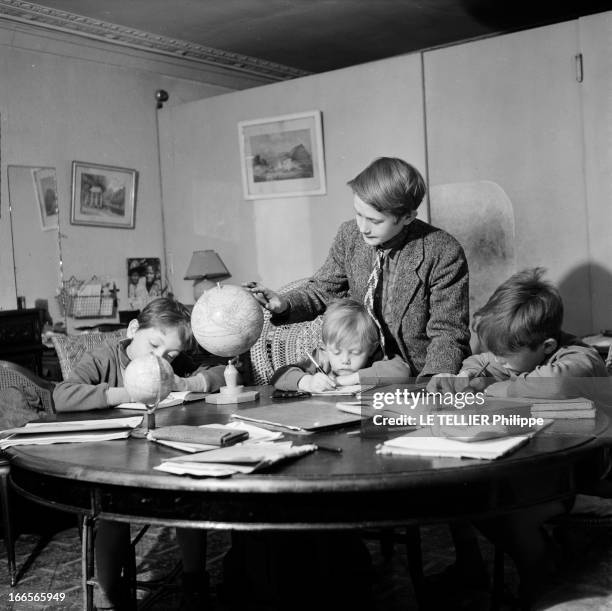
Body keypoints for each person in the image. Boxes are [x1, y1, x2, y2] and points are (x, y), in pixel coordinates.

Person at [426, 268, 609, 604]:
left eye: (505, 358)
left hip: (586, 478)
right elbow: (482, 360)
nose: (497, 361)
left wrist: (487, 388)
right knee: (458, 492)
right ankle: (476, 568)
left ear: (547, 345)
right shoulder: (519, 352)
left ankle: (538, 580)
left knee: (504, 509)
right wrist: (465, 375)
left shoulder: (581, 359)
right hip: (540, 469)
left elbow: (554, 385)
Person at [53, 298, 226, 610]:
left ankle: (194, 583)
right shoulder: (104, 358)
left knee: (186, 497)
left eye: (171, 354)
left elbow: (219, 370)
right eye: (154, 345)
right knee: (112, 510)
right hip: (114, 458)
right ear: (134, 329)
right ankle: (109, 595)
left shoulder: (169, 366)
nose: (161, 359)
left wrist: (187, 381)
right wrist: (128, 392)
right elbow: (62, 395)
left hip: (160, 453)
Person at [245, 157, 470, 381]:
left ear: (408, 217)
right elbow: (323, 290)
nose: (363, 228)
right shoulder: (349, 235)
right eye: (358, 214)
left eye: (375, 221)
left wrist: (436, 381)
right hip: (360, 372)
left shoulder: (443, 251)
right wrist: (283, 304)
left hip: (420, 375)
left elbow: (448, 331)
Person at [271, 298, 411, 392]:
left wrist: (344, 381)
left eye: (355, 352)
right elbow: (279, 376)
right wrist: (307, 382)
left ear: (371, 348)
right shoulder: (323, 357)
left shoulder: (375, 359)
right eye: (336, 352)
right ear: (325, 348)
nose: (345, 360)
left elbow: (402, 371)